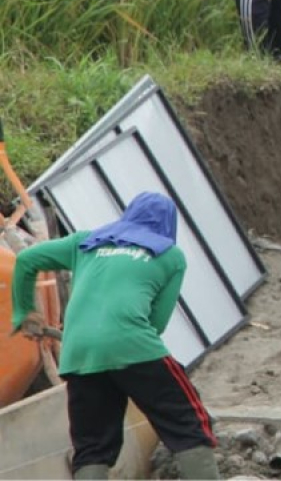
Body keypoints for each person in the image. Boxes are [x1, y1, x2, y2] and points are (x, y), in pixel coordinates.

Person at [10, 192, 219, 480]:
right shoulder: (170, 256)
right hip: (133, 346)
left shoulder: (85, 242)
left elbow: (27, 259)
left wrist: (24, 312)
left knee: (92, 446)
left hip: (79, 354)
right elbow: (156, 324)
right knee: (188, 424)